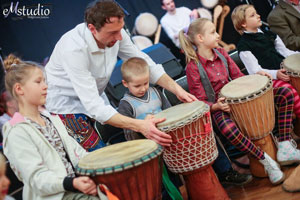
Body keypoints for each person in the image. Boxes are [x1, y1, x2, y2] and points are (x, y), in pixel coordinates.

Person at [45, 0, 196, 151]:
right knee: (99, 155)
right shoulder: (73, 50)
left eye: (120, 29)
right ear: (92, 29)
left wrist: (177, 90)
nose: (119, 37)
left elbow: (145, 63)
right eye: (112, 33)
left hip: (93, 98)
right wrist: (141, 126)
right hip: (65, 107)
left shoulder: (117, 32)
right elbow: (94, 106)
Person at [178, 17, 300, 185]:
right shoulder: (193, 67)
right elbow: (200, 101)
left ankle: (285, 144)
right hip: (220, 108)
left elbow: (238, 77)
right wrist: (215, 106)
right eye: (213, 32)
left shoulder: (222, 54)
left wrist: (258, 78)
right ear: (200, 38)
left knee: (284, 92)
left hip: (241, 99)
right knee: (228, 129)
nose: (218, 35)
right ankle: (265, 160)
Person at [118, 57, 253, 187]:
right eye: (137, 86)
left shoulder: (155, 92)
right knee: (166, 178)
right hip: (152, 146)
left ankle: (225, 172)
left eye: (146, 83)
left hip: (170, 137)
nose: (142, 88)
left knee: (202, 135)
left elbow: (170, 113)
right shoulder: (126, 105)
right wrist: (141, 125)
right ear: (125, 83)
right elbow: (129, 135)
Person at [2, 54, 99, 200]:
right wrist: (71, 183)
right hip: (54, 196)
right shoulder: (16, 131)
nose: (45, 86)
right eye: (38, 82)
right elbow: (37, 178)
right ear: (19, 89)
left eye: (45, 81)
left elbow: (77, 153)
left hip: (74, 186)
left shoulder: (51, 119)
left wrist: (100, 165)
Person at [231, 4, 300, 120]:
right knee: (289, 91)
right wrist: (276, 74)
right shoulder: (244, 46)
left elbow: (286, 52)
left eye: (256, 13)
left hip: (284, 72)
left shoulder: (269, 34)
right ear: (243, 23)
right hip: (268, 81)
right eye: (252, 15)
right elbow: (255, 71)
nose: (258, 16)